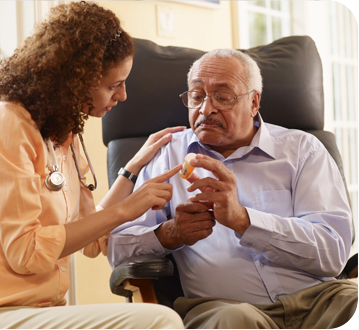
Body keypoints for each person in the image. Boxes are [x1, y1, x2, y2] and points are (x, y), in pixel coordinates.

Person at [0, 2, 185, 329]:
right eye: (112, 85)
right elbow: (27, 253)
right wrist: (126, 209)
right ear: (75, 79)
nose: (122, 95)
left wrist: (132, 170)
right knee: (161, 321)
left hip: (45, 306)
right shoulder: (5, 124)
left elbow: (92, 241)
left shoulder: (64, 131)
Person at [107, 48, 358, 328]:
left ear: (254, 102)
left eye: (222, 97)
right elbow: (117, 250)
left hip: (320, 301)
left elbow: (333, 253)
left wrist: (244, 220)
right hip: (227, 309)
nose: (206, 109)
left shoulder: (302, 150)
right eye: (196, 96)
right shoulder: (168, 156)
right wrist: (170, 233)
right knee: (236, 319)